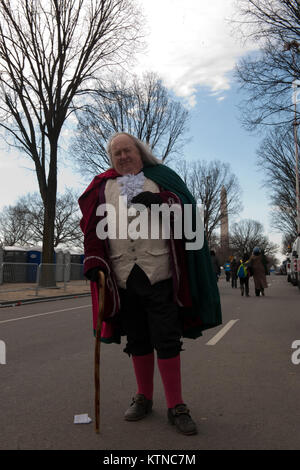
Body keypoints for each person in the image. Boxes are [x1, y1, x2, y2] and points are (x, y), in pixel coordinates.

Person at [78, 132, 222, 436]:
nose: (122, 157)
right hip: (123, 276)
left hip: (160, 275)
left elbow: (188, 219)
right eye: (116, 154)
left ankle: (176, 405)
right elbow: (91, 230)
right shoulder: (102, 187)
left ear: (140, 152)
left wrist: (161, 202)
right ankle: (143, 397)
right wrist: (92, 260)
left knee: (166, 338)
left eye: (127, 151)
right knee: (138, 339)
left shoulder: (162, 179)